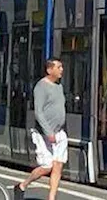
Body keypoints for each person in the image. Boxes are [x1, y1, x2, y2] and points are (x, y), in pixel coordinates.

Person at [15, 59, 67, 200]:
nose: (61, 69)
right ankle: (23, 185)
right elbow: (39, 112)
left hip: (60, 132)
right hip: (44, 133)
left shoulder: (59, 86)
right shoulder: (41, 87)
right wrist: (48, 132)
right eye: (59, 67)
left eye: (61, 67)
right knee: (47, 166)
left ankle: (51, 198)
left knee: (58, 165)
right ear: (49, 70)